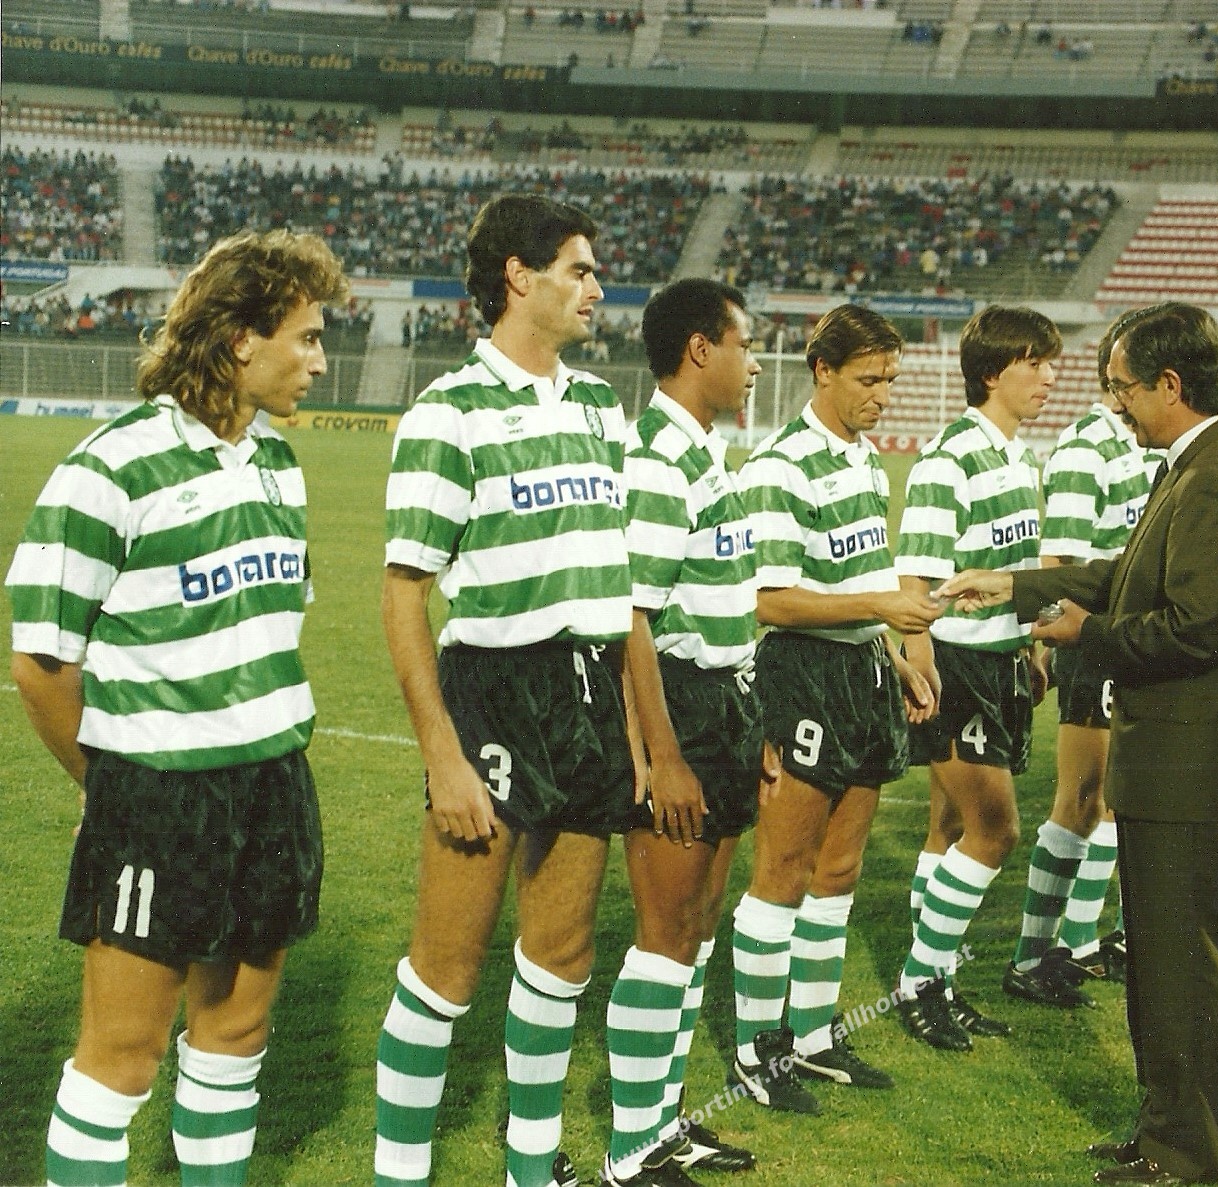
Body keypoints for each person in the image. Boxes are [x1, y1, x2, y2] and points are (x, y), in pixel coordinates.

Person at [7, 229, 348, 1187]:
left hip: (273, 784)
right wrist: (112, 782)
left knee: (235, 1036)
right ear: (241, 339)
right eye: (307, 337)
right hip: (159, 797)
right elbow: (41, 663)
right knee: (122, 1057)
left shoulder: (279, 463)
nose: (320, 361)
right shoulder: (110, 468)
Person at [941, 302, 1218, 1186]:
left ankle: (1188, 1155)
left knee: (1185, 975)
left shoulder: (1215, 475)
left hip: (1188, 764)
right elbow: (1131, 575)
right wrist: (1016, 585)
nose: (1116, 404)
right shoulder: (1201, 458)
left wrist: (1084, 631)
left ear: (1170, 384)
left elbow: (1194, 629)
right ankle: (1163, 1130)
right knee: (1164, 970)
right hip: (1179, 760)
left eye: (1123, 387)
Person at [373, 195, 632, 1187]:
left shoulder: (601, 407)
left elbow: (620, 582)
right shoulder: (449, 412)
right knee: (446, 967)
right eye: (579, 269)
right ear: (519, 277)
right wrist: (442, 756)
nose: (596, 288)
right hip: (494, 690)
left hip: (590, 687)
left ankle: (531, 1166)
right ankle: (400, 1173)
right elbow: (404, 594)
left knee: (561, 952)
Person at [728, 303, 942, 1114]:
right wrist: (883, 608)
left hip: (863, 671)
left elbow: (860, 577)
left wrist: (895, 654)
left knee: (840, 868)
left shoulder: (865, 461)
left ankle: (814, 1035)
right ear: (822, 371)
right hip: (803, 675)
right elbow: (771, 600)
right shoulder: (781, 465)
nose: (882, 395)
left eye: (890, 379)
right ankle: (757, 1047)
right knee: (783, 868)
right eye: (868, 379)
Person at [608, 278, 765, 1184]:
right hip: (680, 706)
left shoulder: (703, 451)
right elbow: (632, 615)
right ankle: (633, 1148)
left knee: (698, 923)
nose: (755, 365)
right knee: (665, 927)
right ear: (701, 349)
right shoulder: (659, 458)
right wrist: (661, 755)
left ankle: (663, 1126)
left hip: (726, 702)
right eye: (746, 346)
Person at [893, 305, 1058, 1051]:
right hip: (954, 662)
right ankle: (918, 983)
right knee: (997, 829)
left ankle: (939, 981)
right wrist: (922, 669)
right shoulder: (950, 458)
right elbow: (916, 579)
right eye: (1034, 363)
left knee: (951, 827)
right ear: (992, 372)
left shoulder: (1017, 457)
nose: (1048, 377)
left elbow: (1009, 569)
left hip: (1000, 658)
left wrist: (1029, 644)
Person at [1003, 305, 1160, 1011]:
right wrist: (1050, 643)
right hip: (1091, 643)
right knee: (1080, 797)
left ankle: (1078, 940)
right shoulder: (1084, 448)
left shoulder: (1147, 446)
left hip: (1132, 639)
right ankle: (1031, 953)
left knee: (1113, 799)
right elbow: (1059, 564)